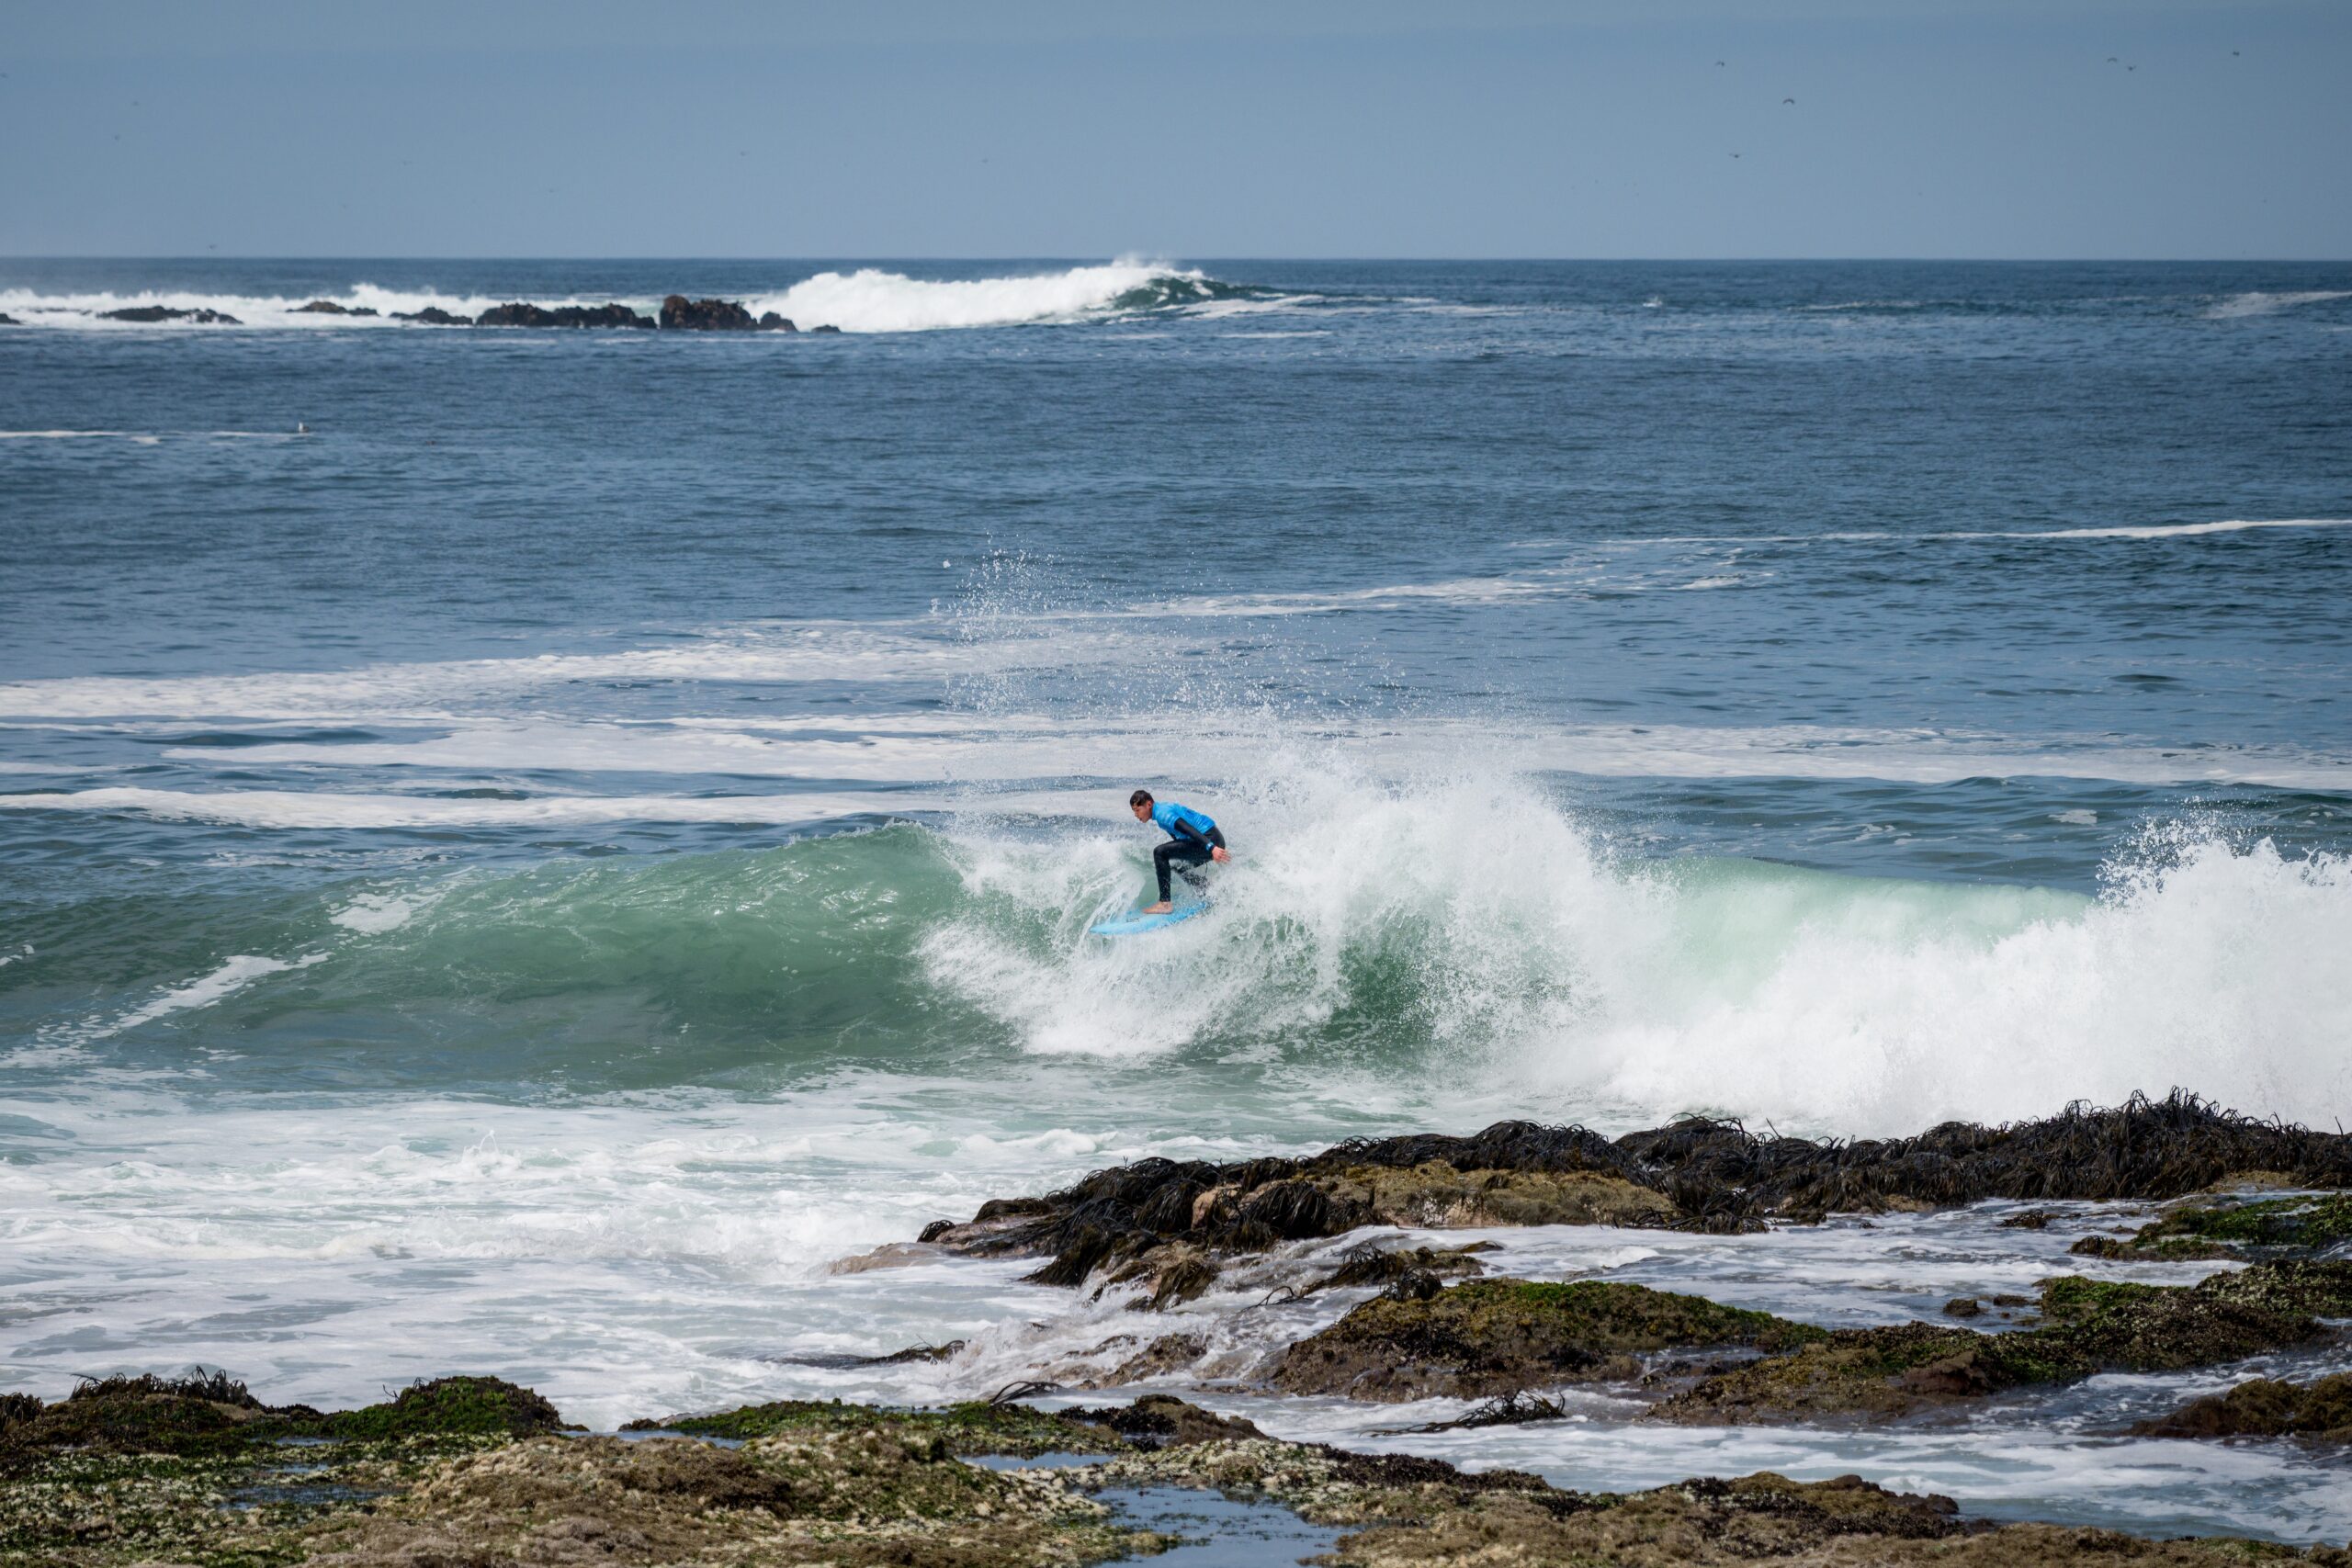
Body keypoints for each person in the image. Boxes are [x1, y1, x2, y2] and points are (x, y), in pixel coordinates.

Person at [1130, 788, 1229, 913]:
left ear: (1149, 804)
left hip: (1209, 839)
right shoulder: (1161, 811)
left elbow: (1188, 829)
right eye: (1134, 811)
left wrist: (1212, 848)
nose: (1136, 815)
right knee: (1177, 866)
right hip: (1211, 839)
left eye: (1137, 810)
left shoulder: (1162, 814)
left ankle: (1165, 904)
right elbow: (1179, 838)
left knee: (1159, 852)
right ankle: (1206, 889)